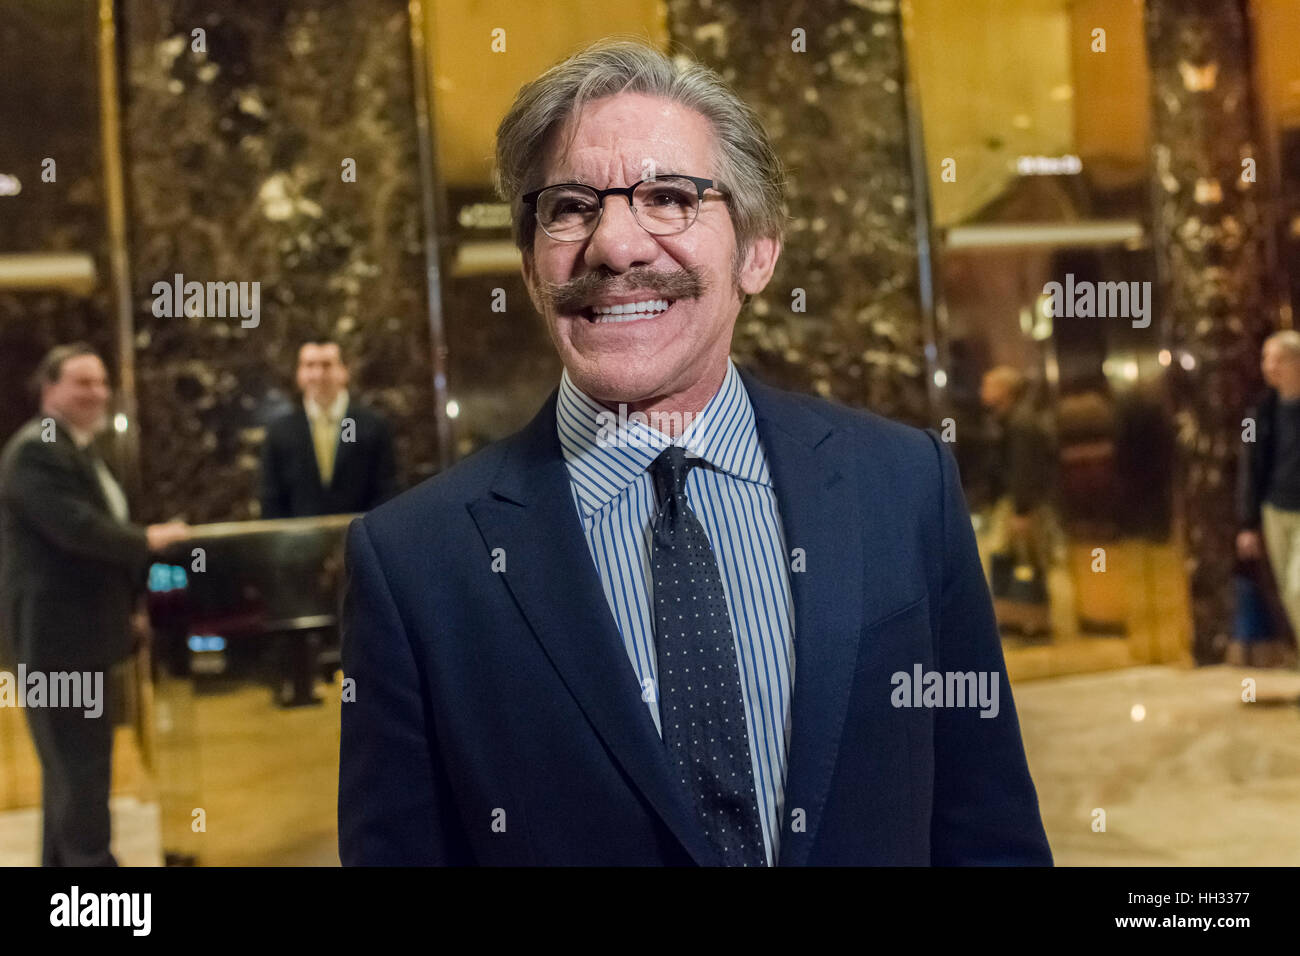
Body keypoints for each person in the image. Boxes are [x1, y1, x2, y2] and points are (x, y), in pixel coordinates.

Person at [338, 39, 1051, 866]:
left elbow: (987, 826)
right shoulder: (417, 565)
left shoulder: (902, 486)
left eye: (669, 197)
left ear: (758, 251)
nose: (616, 246)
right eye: (569, 207)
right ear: (532, 267)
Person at [0, 343, 190, 866]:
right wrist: (146, 539)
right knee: (81, 773)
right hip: (57, 646)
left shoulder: (75, 449)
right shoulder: (37, 450)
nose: (97, 393)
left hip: (78, 642)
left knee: (71, 774)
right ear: (48, 389)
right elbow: (78, 529)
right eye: (82, 383)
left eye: (102, 382)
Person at [259, 340, 397, 519]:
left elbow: (386, 491)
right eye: (310, 365)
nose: (318, 374)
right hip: (299, 543)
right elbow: (271, 500)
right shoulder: (280, 432)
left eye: (326, 365)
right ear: (299, 374)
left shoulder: (371, 426)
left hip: (359, 539)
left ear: (344, 371)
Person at [1237, 329, 1300, 663]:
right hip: (1275, 510)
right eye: (1265, 358)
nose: (1268, 366)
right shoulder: (1258, 413)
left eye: (1276, 359)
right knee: (1288, 596)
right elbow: (1249, 466)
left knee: (1298, 587)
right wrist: (1247, 523)